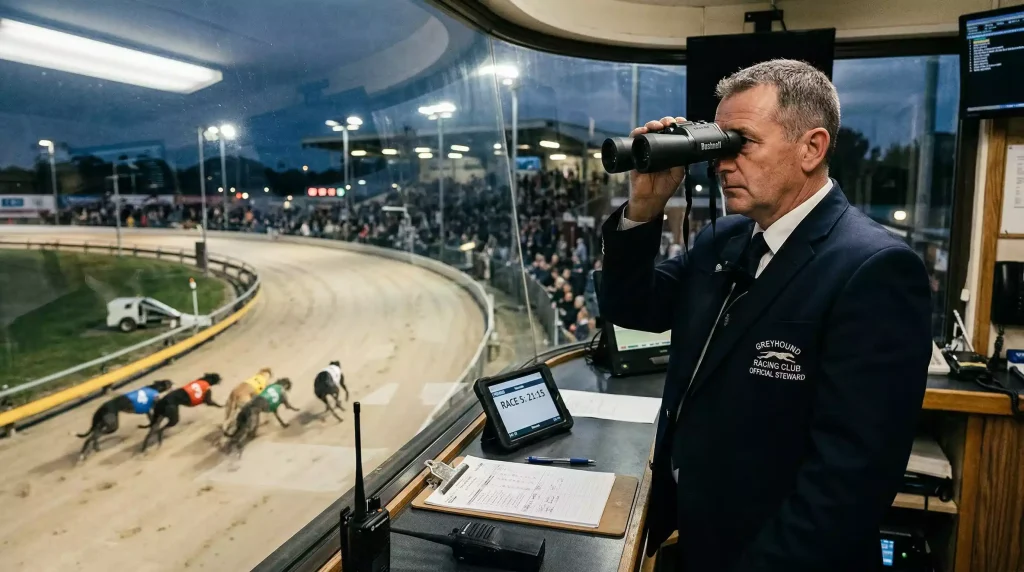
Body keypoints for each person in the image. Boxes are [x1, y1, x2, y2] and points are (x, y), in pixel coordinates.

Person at [599, 59, 931, 571]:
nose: (722, 162)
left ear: (811, 148)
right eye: (718, 144)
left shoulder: (875, 269)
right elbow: (633, 308)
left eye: (742, 142)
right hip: (698, 535)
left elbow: (848, 482)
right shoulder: (724, 240)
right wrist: (645, 207)